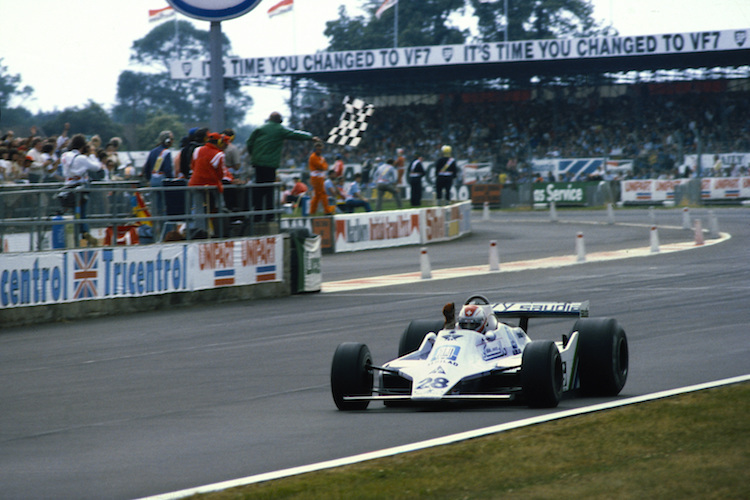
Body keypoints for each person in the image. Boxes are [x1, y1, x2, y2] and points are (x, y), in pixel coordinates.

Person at [246, 111, 320, 221]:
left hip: (258, 163)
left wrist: (254, 155)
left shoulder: (260, 129)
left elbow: (249, 143)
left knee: (259, 188)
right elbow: (295, 134)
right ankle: (269, 215)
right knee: (269, 189)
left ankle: (256, 214)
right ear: (280, 121)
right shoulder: (279, 129)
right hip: (270, 164)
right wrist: (311, 137)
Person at [60, 133, 104, 246]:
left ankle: (79, 234)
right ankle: (84, 232)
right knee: (82, 213)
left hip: (68, 187)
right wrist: (92, 154)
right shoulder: (82, 158)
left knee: (75, 213)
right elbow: (97, 166)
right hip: (80, 187)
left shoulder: (65, 155)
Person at [188, 132, 227, 236]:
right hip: (211, 184)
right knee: (220, 205)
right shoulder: (219, 154)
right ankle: (220, 230)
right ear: (218, 142)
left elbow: (192, 166)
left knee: (198, 208)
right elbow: (221, 174)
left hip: (195, 183)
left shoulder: (197, 150)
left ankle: (200, 232)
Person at [142, 130, 174, 229]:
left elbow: (146, 168)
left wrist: (149, 179)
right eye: (172, 139)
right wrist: (171, 180)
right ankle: (167, 231)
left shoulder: (152, 151)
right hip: (163, 182)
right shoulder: (166, 152)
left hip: (153, 181)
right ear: (167, 140)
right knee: (166, 207)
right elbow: (168, 170)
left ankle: (156, 230)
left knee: (156, 208)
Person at [308, 141, 335, 215]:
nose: (319, 151)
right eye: (318, 149)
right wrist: (323, 166)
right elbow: (321, 166)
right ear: (315, 149)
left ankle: (312, 211)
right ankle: (327, 211)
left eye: (320, 149)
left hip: (320, 177)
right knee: (322, 193)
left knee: (317, 195)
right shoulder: (313, 157)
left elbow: (325, 166)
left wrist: (323, 166)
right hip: (316, 177)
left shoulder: (320, 157)